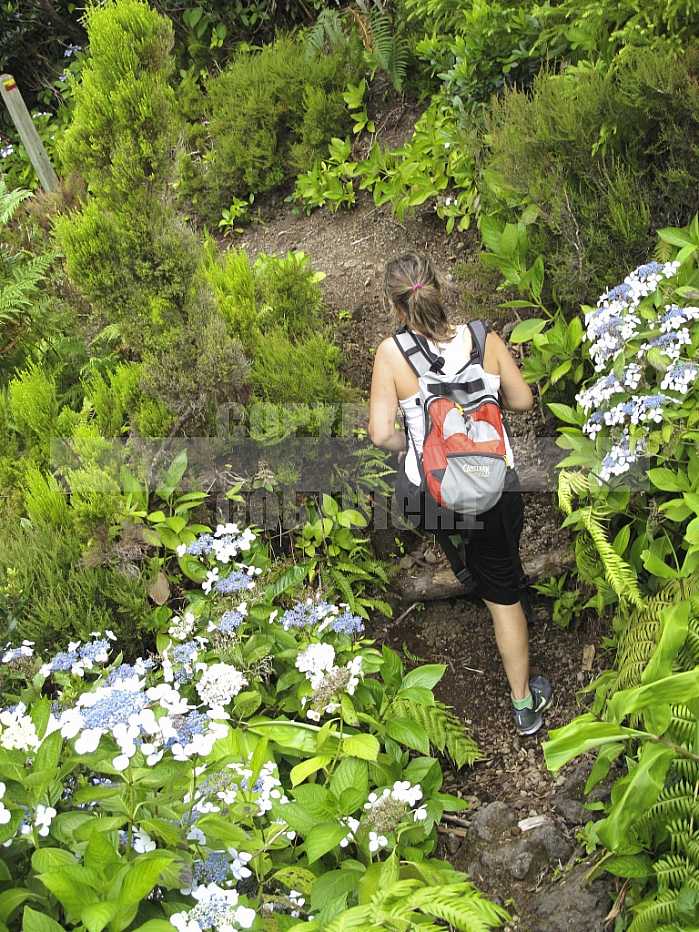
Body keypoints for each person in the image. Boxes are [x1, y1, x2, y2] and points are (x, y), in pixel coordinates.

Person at [368, 252, 552, 736]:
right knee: (504, 596)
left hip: (430, 497)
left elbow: (379, 433)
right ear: (440, 287)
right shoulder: (482, 337)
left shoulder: (391, 353)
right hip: (494, 491)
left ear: (396, 306)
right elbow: (522, 400)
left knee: (437, 512)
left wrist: (416, 440)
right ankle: (523, 702)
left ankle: (467, 564)